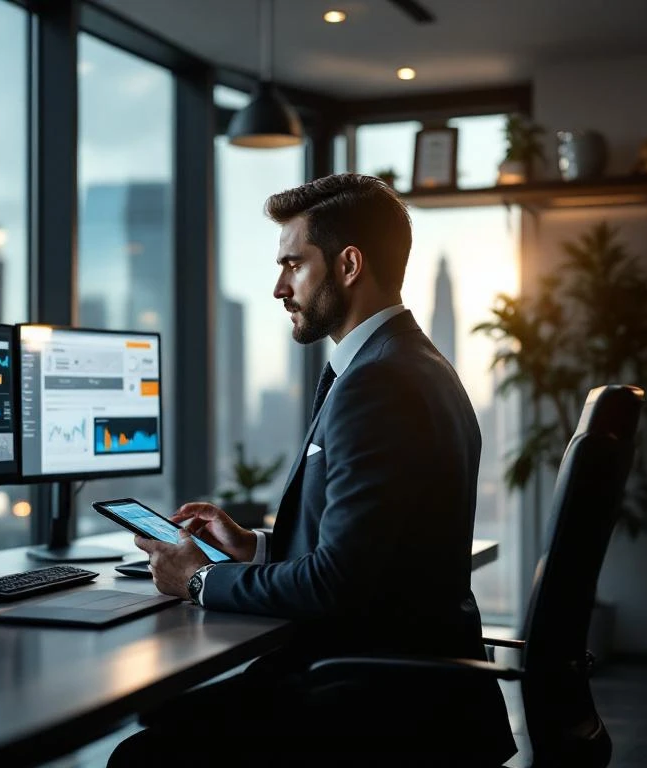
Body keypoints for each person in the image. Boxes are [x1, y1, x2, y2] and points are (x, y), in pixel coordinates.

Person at [108, 174, 517, 767]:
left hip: (378, 707)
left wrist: (199, 579)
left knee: (145, 753)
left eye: (294, 265)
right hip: (412, 686)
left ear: (349, 264)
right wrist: (255, 548)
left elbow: (338, 585)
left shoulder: (378, 381)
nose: (279, 287)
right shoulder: (412, 362)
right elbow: (378, 552)